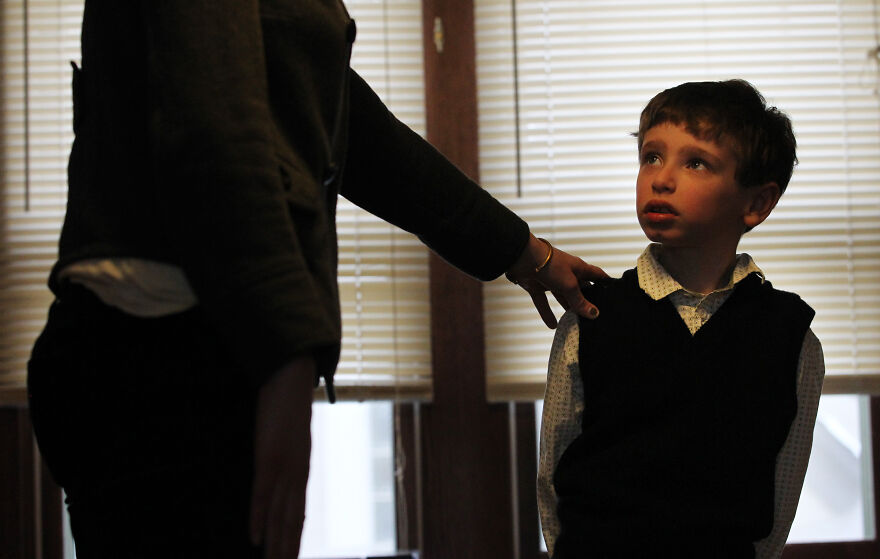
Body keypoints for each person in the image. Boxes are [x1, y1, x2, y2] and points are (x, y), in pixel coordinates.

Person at [25, 2, 608, 559]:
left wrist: (527, 253)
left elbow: (355, 133)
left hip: (199, 354)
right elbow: (216, 131)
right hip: (156, 365)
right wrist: (286, 358)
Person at [537, 80, 825, 559]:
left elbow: (780, 490)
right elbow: (554, 474)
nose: (661, 178)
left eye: (695, 163)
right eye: (651, 156)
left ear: (756, 203)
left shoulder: (790, 338)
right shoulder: (591, 316)